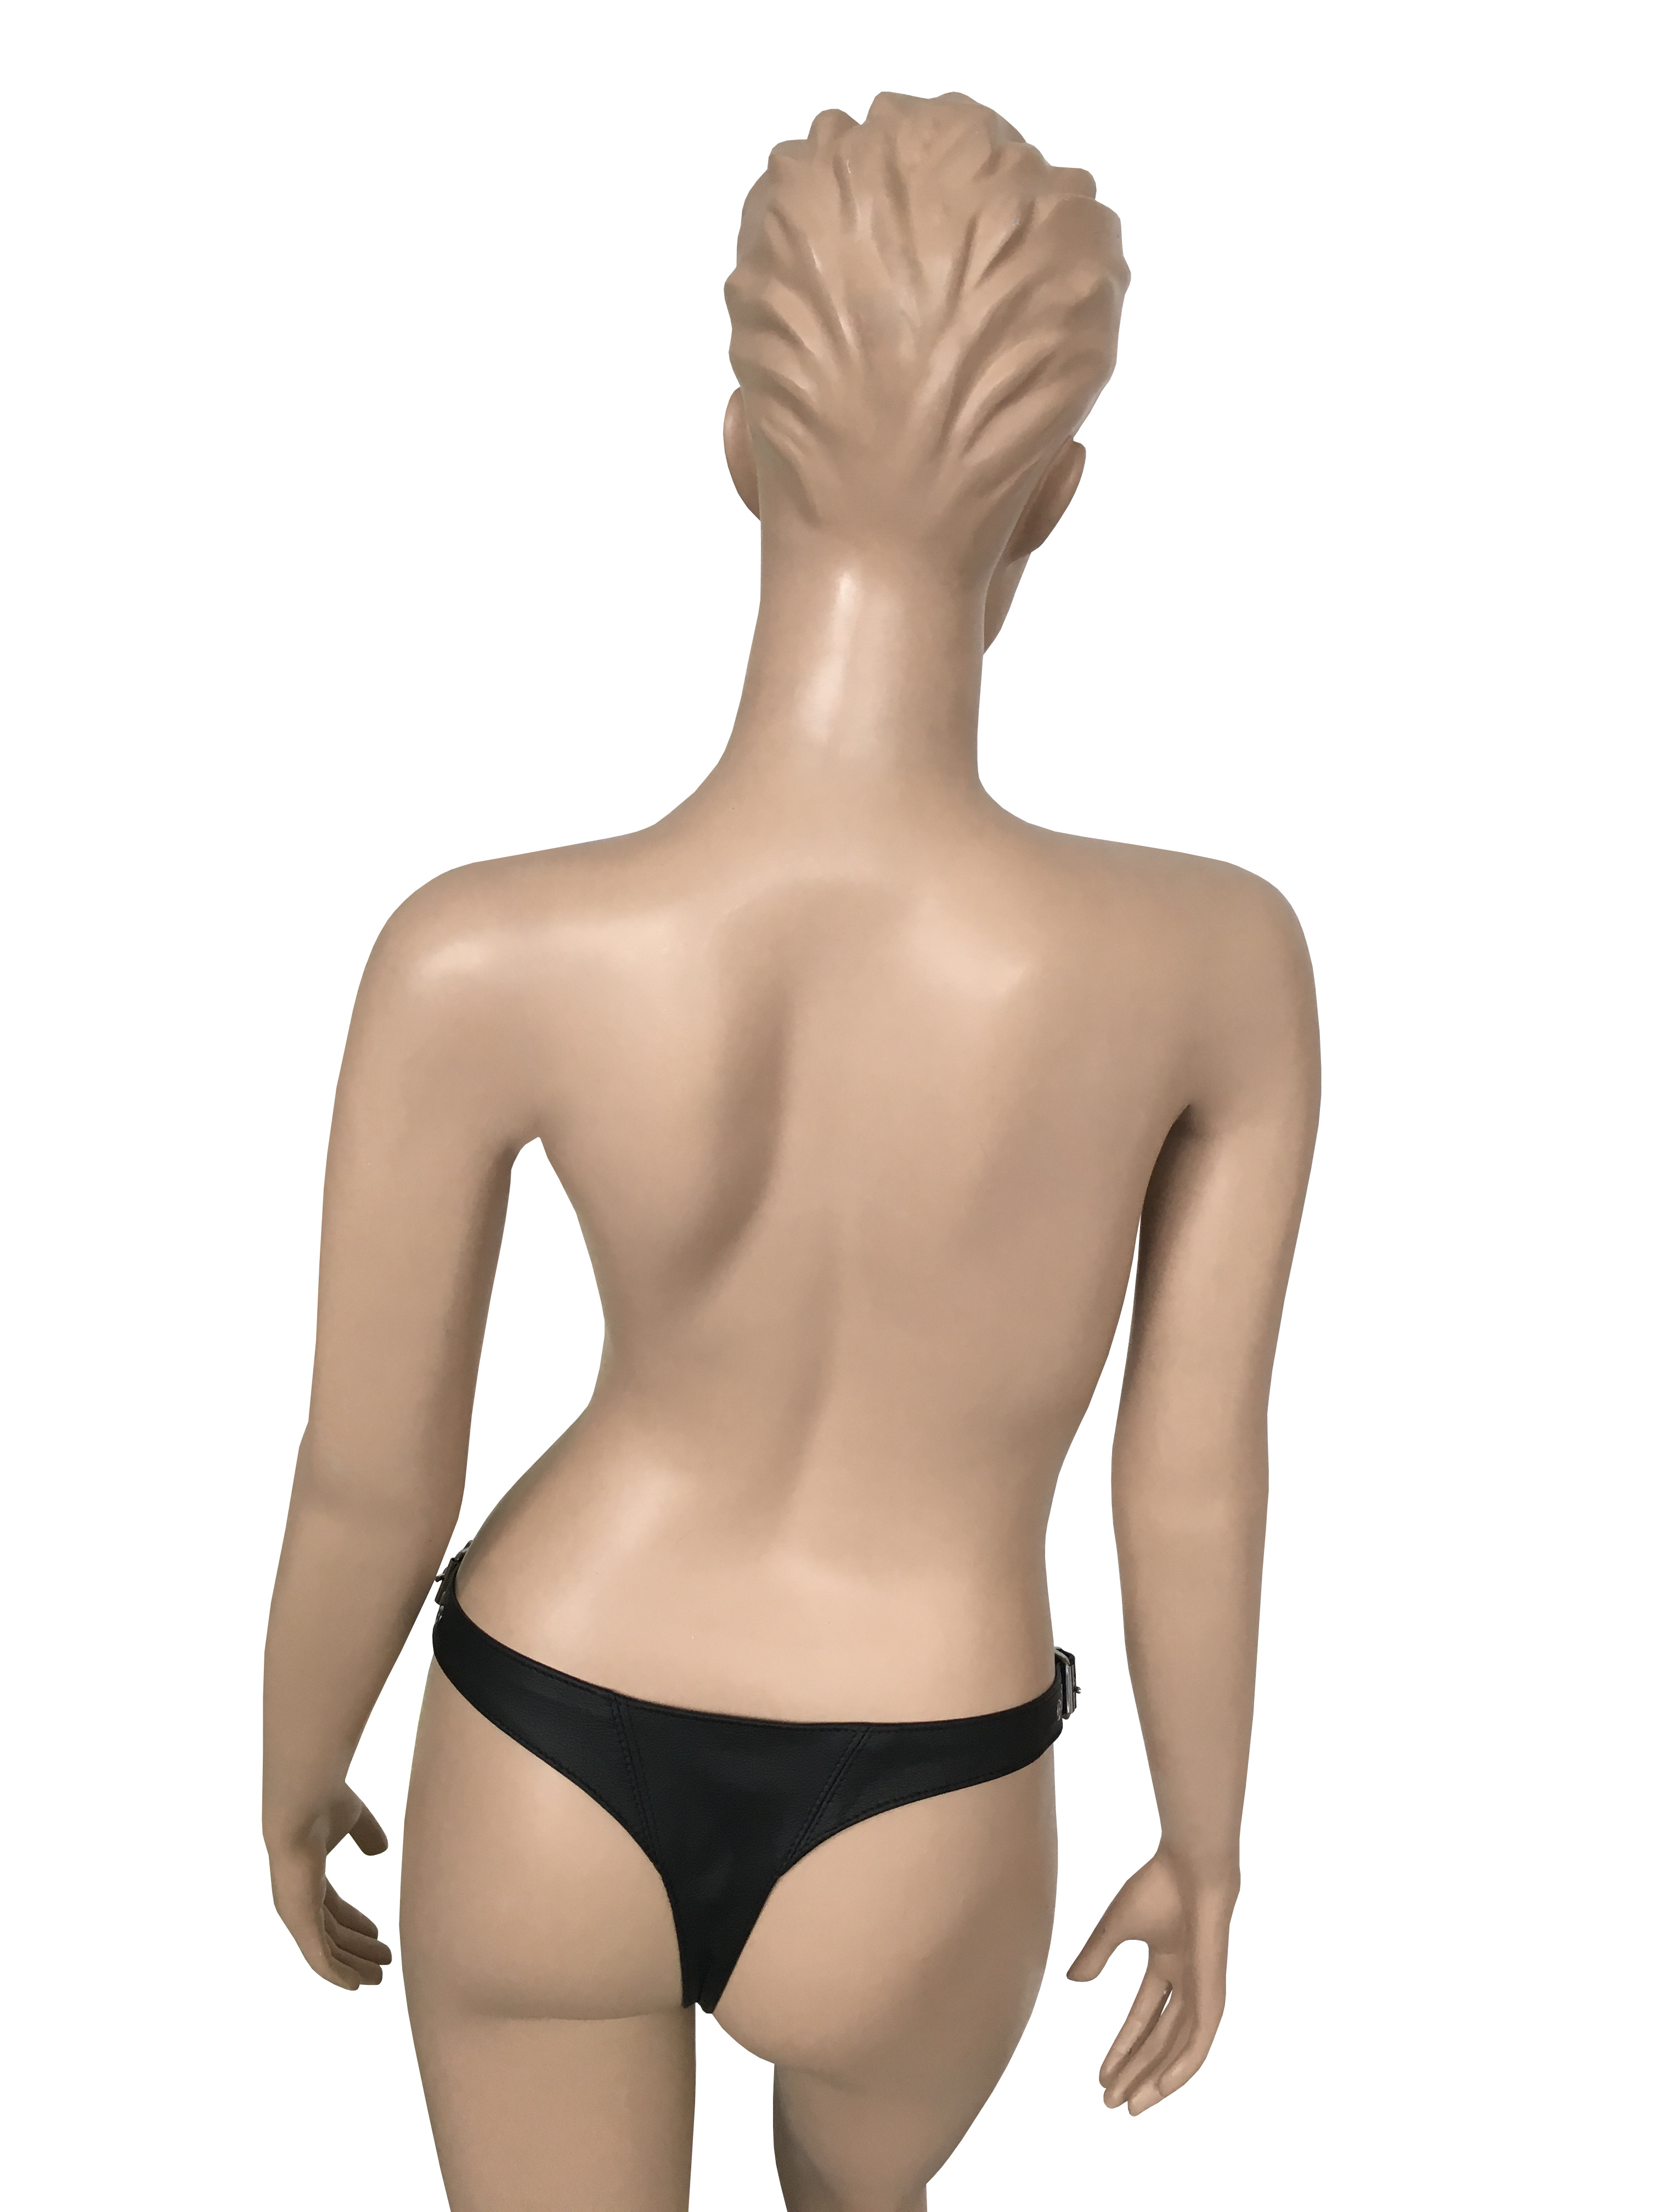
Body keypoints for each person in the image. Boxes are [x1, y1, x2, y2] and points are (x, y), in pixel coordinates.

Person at [263, 90, 1319, 2212]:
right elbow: (1190, 1477)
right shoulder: (1217, 964)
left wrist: (294, 1770)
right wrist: (1207, 1846)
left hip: (544, 1728)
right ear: (1058, 500)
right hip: (933, 1790)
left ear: (739, 451)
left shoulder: (485, 952)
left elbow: (370, 1469)